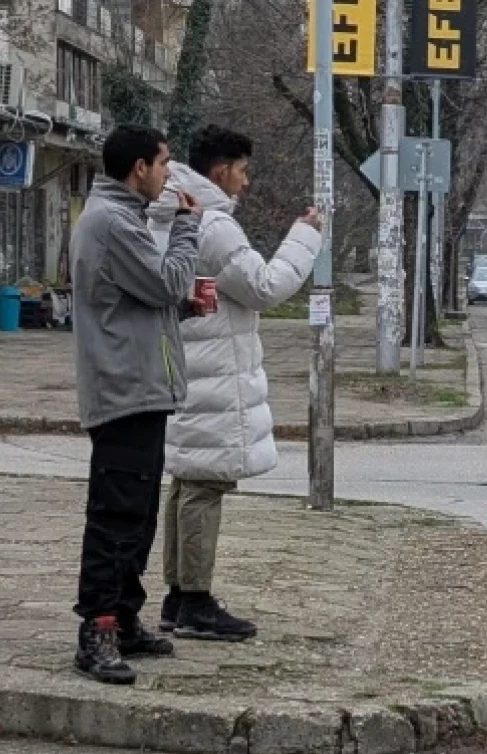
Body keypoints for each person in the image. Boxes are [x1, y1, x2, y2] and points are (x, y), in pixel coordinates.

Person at [146, 124, 323, 642]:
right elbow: (266, 287)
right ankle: (195, 602)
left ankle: (179, 596)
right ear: (220, 170)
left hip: (188, 366)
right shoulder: (212, 225)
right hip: (214, 372)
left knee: (187, 483)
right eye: (243, 172)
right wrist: (306, 234)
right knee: (204, 486)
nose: (245, 184)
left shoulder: (169, 211)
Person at [69, 123, 201, 684]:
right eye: (164, 163)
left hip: (141, 385)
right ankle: (96, 630)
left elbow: (143, 299)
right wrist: (188, 229)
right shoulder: (113, 221)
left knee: (138, 514)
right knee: (116, 515)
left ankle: (123, 618)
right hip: (123, 390)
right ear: (139, 168)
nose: (169, 174)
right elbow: (168, 282)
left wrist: (180, 310)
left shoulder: (124, 218)